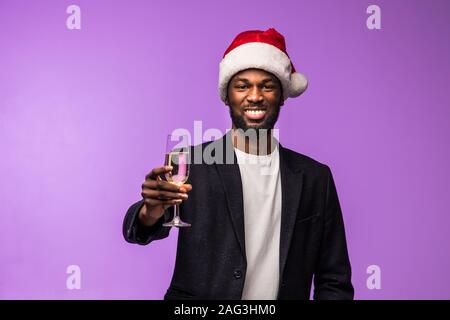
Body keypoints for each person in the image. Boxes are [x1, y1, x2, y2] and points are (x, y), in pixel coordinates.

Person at [123, 28, 354, 300]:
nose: (254, 96)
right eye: (242, 85)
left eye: (267, 86)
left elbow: (334, 280)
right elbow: (140, 231)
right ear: (226, 96)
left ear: (282, 95)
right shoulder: (191, 163)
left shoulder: (316, 178)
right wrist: (151, 210)